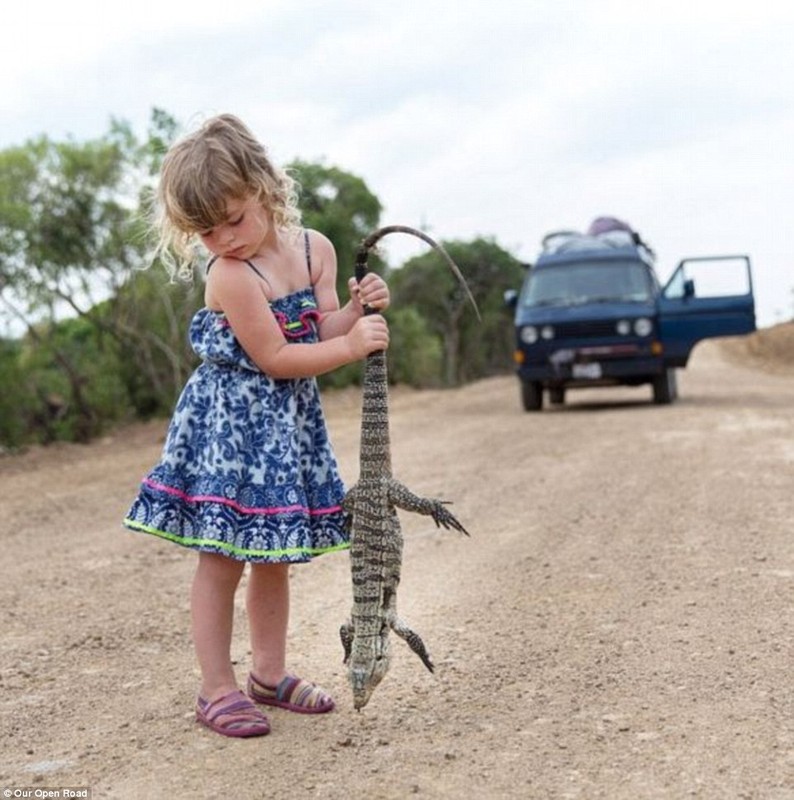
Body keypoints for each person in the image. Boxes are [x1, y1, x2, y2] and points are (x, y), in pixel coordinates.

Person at [123, 114, 390, 738]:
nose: (223, 239)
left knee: (275, 555)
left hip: (285, 430)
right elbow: (275, 357)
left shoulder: (314, 249)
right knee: (222, 556)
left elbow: (315, 330)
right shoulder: (231, 276)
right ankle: (215, 689)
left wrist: (355, 311)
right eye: (205, 231)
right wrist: (351, 349)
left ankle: (269, 676)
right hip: (230, 432)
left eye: (233, 219)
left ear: (265, 188)